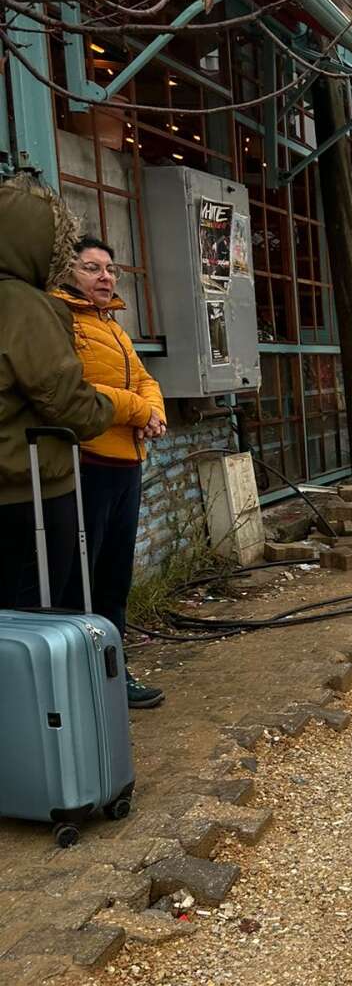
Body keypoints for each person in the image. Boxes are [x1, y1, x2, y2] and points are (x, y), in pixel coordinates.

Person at [54, 236, 167, 709]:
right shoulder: (60, 320)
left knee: (115, 576)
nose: (106, 277)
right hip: (87, 462)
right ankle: (77, 684)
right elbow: (78, 389)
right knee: (82, 577)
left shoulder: (112, 325)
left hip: (126, 462)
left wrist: (154, 410)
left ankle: (113, 674)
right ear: (67, 273)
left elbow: (142, 377)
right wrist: (140, 411)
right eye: (91, 268)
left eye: (110, 268)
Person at [0, 177, 117, 615]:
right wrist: (110, 410)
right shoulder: (23, 304)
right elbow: (65, 399)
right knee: (36, 615)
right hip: (28, 490)